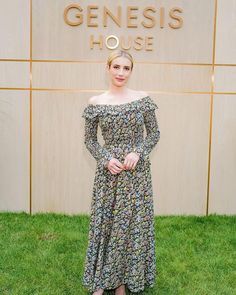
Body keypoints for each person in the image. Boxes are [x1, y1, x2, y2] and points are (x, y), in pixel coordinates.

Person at [81, 49, 160, 295]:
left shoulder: (143, 99)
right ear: (108, 68)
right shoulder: (96, 102)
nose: (121, 72)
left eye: (126, 68)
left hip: (136, 174)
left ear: (131, 71)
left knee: (130, 227)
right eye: (117, 67)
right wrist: (105, 159)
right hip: (110, 174)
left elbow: (154, 133)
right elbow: (90, 141)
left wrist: (138, 151)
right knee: (105, 225)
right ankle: (100, 283)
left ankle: (121, 284)